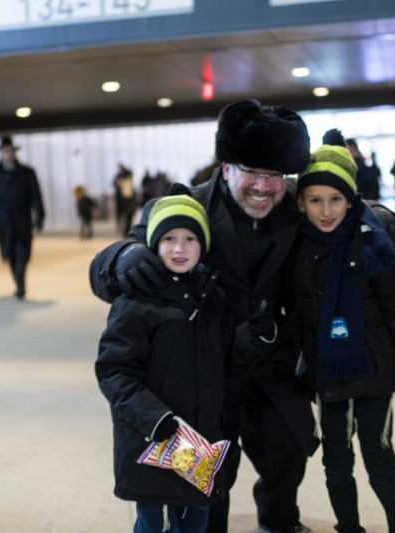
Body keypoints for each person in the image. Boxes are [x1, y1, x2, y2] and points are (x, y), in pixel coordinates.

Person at [90, 99, 319, 533]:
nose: (264, 186)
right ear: (226, 165)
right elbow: (113, 265)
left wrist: (379, 217)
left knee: (287, 448)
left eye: (275, 175)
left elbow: (342, 208)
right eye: (253, 172)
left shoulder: (294, 207)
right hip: (204, 370)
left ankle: (278, 520)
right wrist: (122, 257)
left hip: (271, 358)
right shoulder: (186, 208)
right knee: (210, 470)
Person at [284, 141, 395, 533]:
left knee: (378, 456)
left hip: (374, 370)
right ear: (300, 203)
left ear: (350, 200)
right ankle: (348, 527)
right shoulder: (295, 249)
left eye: (335, 199)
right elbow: (295, 314)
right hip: (327, 373)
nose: (326, 211)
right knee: (336, 462)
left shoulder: (372, 245)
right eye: (315, 200)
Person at [95, 194, 231, 532]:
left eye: (190, 238)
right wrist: (154, 418)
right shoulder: (135, 303)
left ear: (203, 245)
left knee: (195, 523)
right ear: (153, 245)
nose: (179, 248)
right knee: (153, 523)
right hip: (152, 440)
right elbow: (114, 371)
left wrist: (252, 340)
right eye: (169, 238)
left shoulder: (212, 297)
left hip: (196, 442)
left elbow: (223, 360)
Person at [0, 135, 45, 300]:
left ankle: (21, 284)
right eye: (5, 152)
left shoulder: (27, 173)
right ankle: (19, 284)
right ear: (1, 153)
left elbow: (36, 196)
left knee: (23, 253)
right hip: (3, 220)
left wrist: (40, 216)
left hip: (23, 218)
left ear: (14, 152)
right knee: (9, 254)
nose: (8, 154)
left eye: (10, 151)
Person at [114, 164, 138, 236]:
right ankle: (125, 231)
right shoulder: (127, 182)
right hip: (127, 204)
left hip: (126, 204)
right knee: (126, 218)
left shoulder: (125, 181)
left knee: (126, 218)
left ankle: (126, 231)